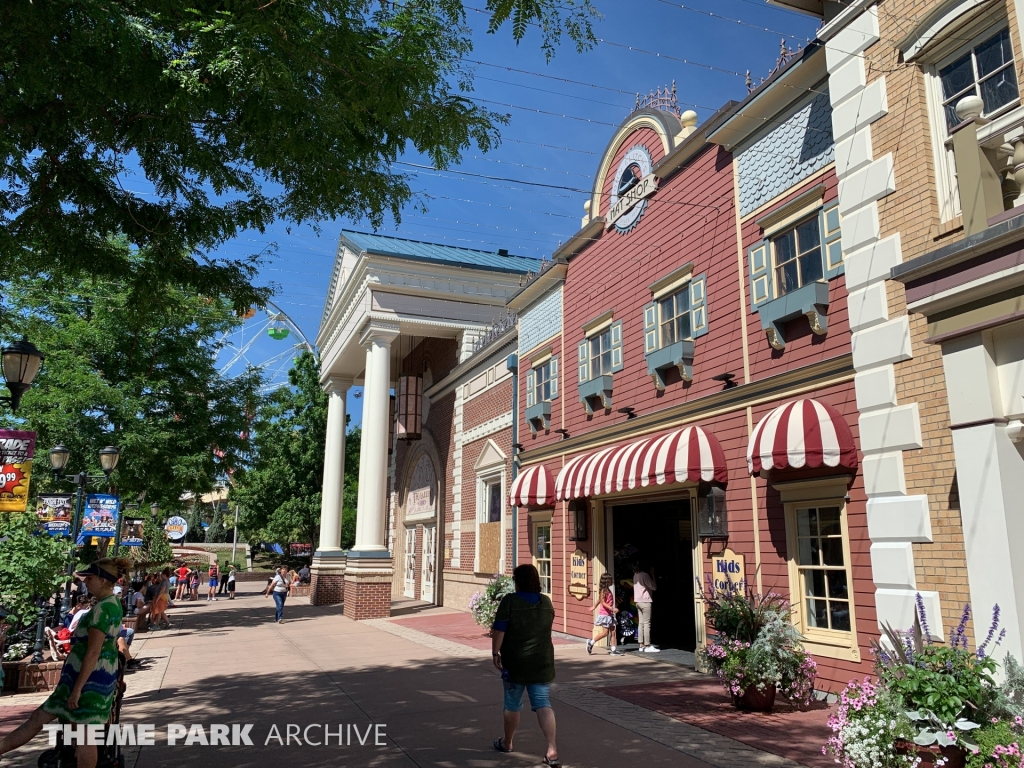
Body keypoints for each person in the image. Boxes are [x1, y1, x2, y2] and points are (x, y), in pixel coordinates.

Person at [0, 558, 131, 768]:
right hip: (92, 677)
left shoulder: (102, 610)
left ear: (103, 580)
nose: (86, 582)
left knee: (81, 735)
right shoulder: (112, 604)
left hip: (87, 681)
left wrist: (77, 690)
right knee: (60, 727)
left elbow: (93, 652)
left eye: (90, 578)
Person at [491, 565, 559, 767]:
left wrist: (495, 653)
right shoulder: (545, 602)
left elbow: (499, 630)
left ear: (517, 581)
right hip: (542, 662)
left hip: (516, 663)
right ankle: (552, 749)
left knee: (512, 704)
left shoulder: (510, 601)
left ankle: (508, 742)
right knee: (543, 703)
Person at [587, 573, 622, 656]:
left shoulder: (608, 590)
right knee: (605, 633)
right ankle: (591, 643)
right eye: (610, 579)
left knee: (613, 632)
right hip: (604, 615)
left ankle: (613, 650)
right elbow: (602, 602)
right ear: (606, 581)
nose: (612, 581)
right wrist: (612, 609)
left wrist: (594, 606)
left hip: (610, 614)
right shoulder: (603, 591)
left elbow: (599, 600)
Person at [633, 560, 659, 653]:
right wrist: (653, 575)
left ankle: (641, 644)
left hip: (637, 601)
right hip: (645, 601)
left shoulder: (636, 574)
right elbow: (653, 587)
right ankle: (647, 645)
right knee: (647, 623)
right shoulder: (645, 575)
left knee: (641, 623)